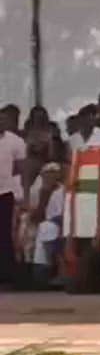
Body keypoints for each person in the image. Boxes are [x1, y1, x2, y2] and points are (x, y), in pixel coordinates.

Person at [0, 106, 27, 285]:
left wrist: (21, 193)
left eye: (3, 120)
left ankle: (6, 274)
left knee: (5, 233)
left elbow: (20, 169)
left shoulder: (16, 141)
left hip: (6, 192)